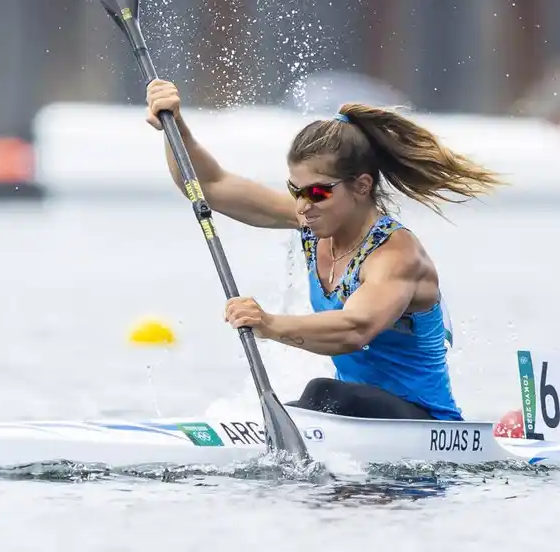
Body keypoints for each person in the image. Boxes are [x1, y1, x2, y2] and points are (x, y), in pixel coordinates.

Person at [144, 79, 503, 422]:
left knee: (321, 392)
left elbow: (355, 329)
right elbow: (209, 185)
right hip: (353, 415)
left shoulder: (397, 255)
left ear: (361, 186)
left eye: (317, 192)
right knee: (312, 400)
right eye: (295, 190)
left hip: (423, 423)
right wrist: (175, 127)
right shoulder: (314, 224)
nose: (303, 206)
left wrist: (269, 324)